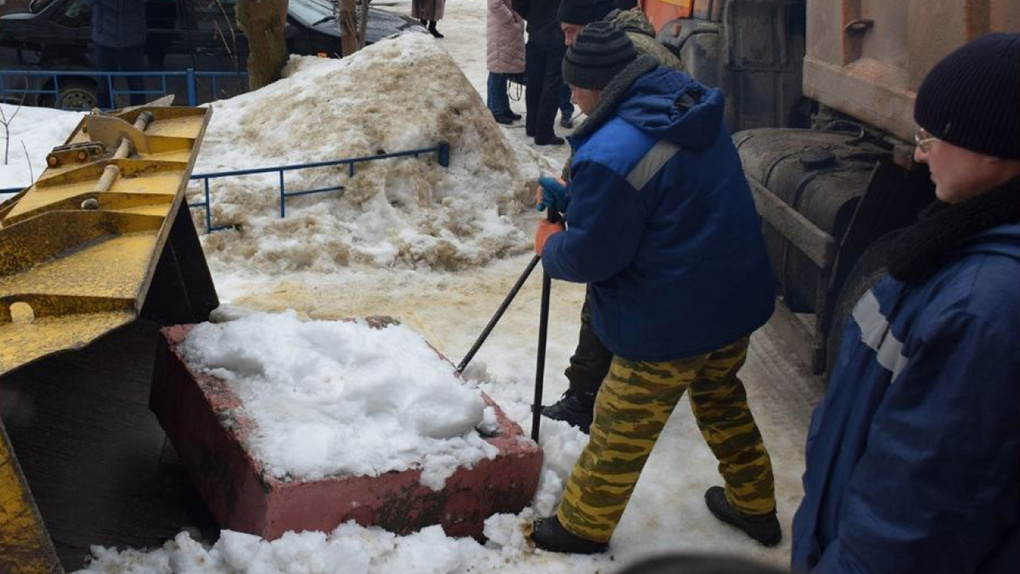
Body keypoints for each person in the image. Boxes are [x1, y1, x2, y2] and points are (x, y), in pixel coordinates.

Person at [530, 22, 780, 554]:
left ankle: (580, 526)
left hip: (672, 317)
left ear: (602, 84)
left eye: (576, 86)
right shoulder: (688, 109)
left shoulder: (612, 150)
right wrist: (580, 201)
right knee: (721, 400)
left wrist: (551, 243)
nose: (571, 95)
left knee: (623, 422)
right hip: (734, 299)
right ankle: (756, 507)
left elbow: (595, 256)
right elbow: (664, 203)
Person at [791, 33, 1020, 574]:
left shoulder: (980, 307)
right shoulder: (959, 249)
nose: (918, 152)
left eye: (932, 136)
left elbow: (916, 513)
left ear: (993, 145)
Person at [542, 0, 683, 435]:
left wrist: (552, 244)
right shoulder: (625, 52)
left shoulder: (626, 59)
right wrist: (575, 186)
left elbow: (610, 146)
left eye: (570, 30)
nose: (566, 39)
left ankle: (585, 397)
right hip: (658, 209)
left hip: (647, 216)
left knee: (605, 290)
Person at [512, 0, 566, 145]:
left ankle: (532, 126)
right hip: (558, 34)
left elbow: (517, 4)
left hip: (536, 32)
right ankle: (544, 132)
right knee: (552, 84)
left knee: (534, 82)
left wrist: (534, 17)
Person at [84, 0, 147, 108]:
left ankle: (139, 116)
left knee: (136, 84)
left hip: (132, 40)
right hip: (104, 41)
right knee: (104, 84)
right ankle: (104, 117)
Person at [486, 0, 526, 124]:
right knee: (497, 71)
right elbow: (494, 4)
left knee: (502, 73)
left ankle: (503, 108)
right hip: (502, 31)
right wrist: (510, 19)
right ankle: (495, 110)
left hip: (506, 31)